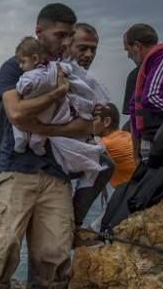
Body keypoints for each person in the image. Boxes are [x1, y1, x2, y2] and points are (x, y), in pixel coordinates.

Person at [0, 3, 87, 289]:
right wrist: (55, 96)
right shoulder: (15, 65)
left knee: (54, 250)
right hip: (18, 169)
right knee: (5, 244)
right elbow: (16, 113)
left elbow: (86, 126)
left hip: (56, 173)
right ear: (40, 31)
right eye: (60, 35)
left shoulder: (71, 70)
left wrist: (44, 128)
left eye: (70, 35)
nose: (66, 42)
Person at [11, 37, 106, 185]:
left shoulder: (31, 75)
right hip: (50, 109)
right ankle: (32, 142)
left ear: (35, 58)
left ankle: (26, 141)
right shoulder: (55, 67)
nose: (21, 66)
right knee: (30, 125)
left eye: (23, 62)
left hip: (47, 109)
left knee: (24, 127)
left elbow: (22, 87)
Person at [126, 22, 163, 161]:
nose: (129, 56)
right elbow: (153, 96)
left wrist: (136, 154)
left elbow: (135, 107)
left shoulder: (154, 62)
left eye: (127, 50)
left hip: (152, 141)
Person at [94, 103, 136, 188]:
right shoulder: (127, 134)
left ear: (106, 121)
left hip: (129, 191)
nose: (88, 122)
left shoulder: (105, 144)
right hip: (140, 185)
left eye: (94, 119)